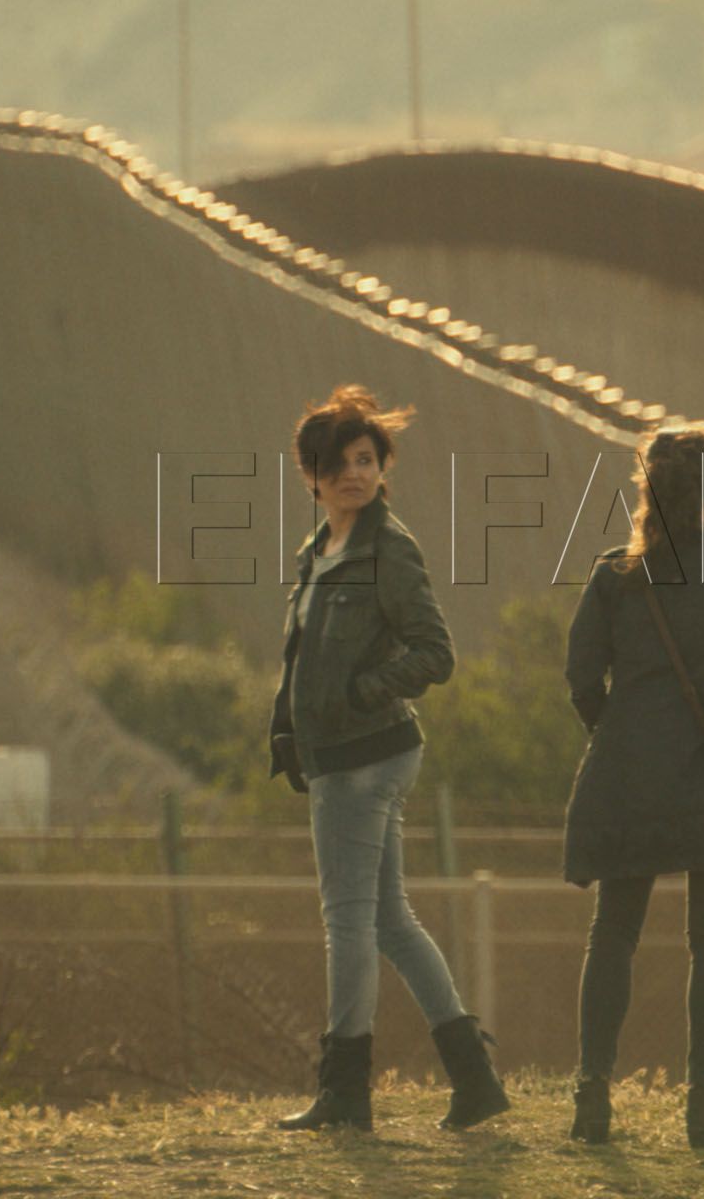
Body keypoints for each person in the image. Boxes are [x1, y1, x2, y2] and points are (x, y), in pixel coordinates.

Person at [267, 385, 509, 1133]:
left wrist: (360, 694)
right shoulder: (318, 553)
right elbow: (303, 661)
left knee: (347, 923)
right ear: (311, 475)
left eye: (365, 460)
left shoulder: (387, 550)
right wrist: (287, 731)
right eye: (338, 463)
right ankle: (475, 1082)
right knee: (390, 922)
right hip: (340, 756)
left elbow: (436, 653)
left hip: (365, 758)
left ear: (382, 468)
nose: (354, 474)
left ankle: (345, 1091)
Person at [559, 426, 704, 1152]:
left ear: (646, 488)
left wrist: (620, 733)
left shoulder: (614, 575)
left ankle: (592, 1097)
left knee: (612, 934)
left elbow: (581, 679)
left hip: (627, 776)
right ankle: (703, 1110)